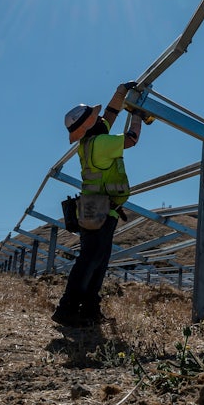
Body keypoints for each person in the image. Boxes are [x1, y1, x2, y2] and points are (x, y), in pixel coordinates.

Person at [52, 82, 144, 327]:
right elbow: (131, 139)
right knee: (90, 260)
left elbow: (110, 114)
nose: (99, 118)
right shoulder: (101, 144)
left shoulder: (92, 139)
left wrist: (121, 91)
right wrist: (137, 114)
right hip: (98, 208)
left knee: (97, 261)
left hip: (99, 207)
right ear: (89, 123)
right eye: (94, 117)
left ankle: (90, 309)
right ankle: (67, 309)